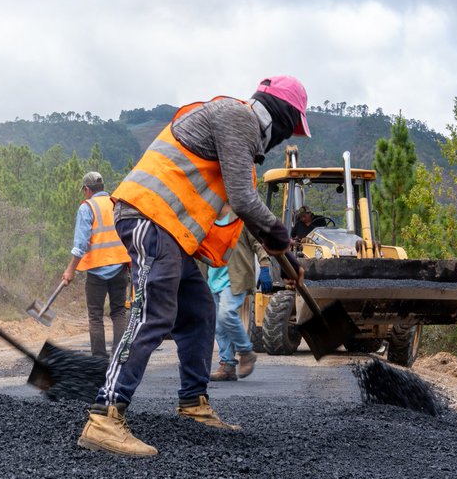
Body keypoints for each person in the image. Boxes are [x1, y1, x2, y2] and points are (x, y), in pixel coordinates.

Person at [78, 75, 309, 459]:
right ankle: (105, 414)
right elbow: (242, 198)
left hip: (169, 231)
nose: (287, 138)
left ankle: (193, 402)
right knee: (154, 313)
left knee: (200, 309)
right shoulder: (239, 118)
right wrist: (279, 234)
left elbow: (242, 207)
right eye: (291, 129)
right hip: (149, 217)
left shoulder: (241, 132)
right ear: (282, 117)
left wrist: (285, 254)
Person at [60, 171, 131, 358]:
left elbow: (81, 245)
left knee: (95, 316)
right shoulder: (116, 203)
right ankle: (120, 355)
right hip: (120, 268)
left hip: (97, 272)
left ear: (87, 189)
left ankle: (99, 358)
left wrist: (70, 270)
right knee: (119, 313)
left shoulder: (87, 208)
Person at [208, 228, 270, 382]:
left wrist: (265, 265)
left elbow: (258, 242)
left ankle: (246, 352)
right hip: (212, 277)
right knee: (218, 324)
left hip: (236, 276)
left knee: (226, 313)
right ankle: (227, 365)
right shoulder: (206, 217)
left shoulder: (240, 219)